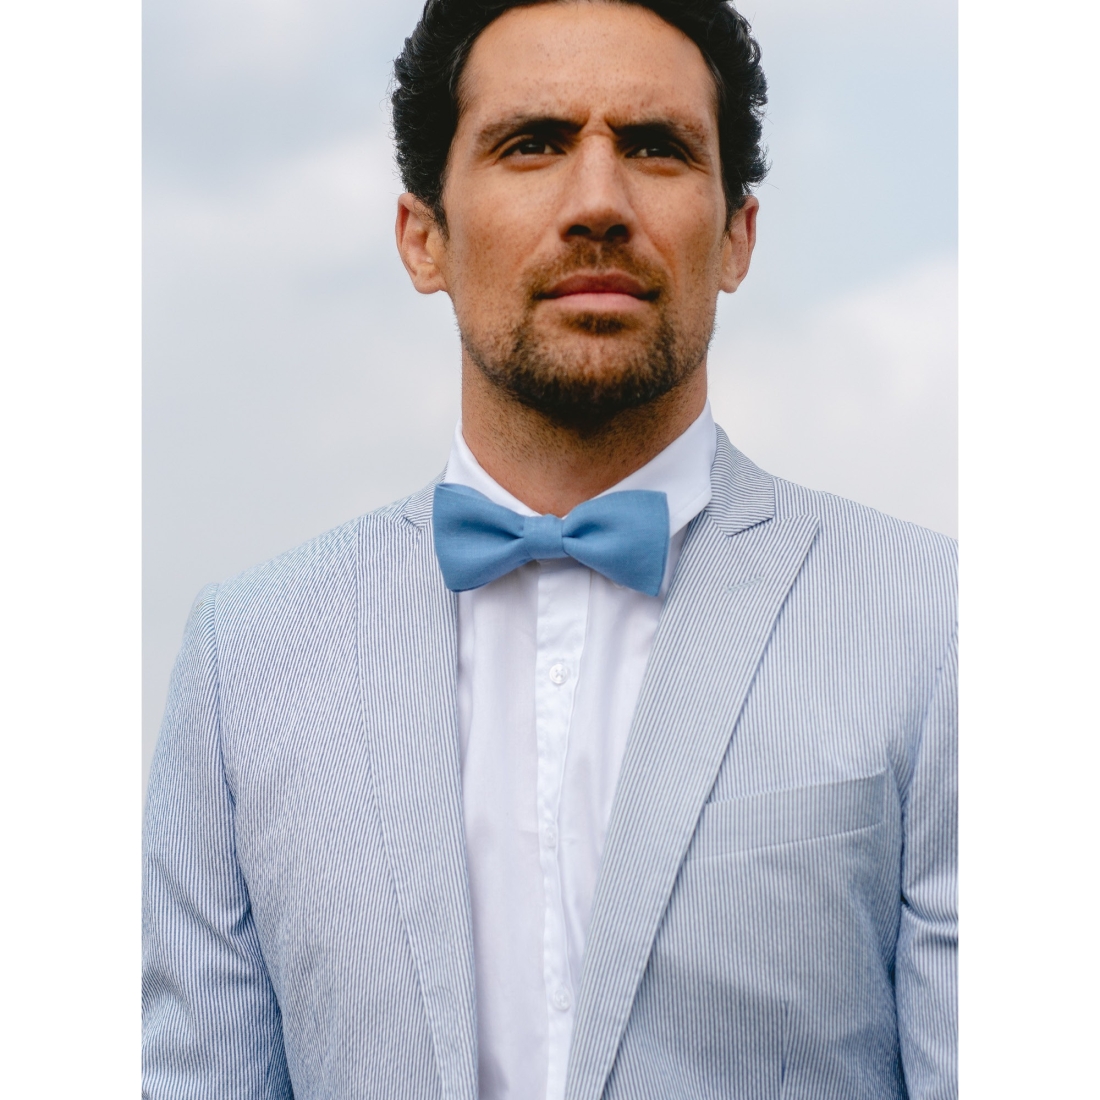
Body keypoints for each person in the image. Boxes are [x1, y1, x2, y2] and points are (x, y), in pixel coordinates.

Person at [142, 0, 957, 1097]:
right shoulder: (242, 662)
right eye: (531, 144)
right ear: (423, 236)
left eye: (655, 147)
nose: (597, 203)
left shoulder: (940, 627)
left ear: (736, 237)